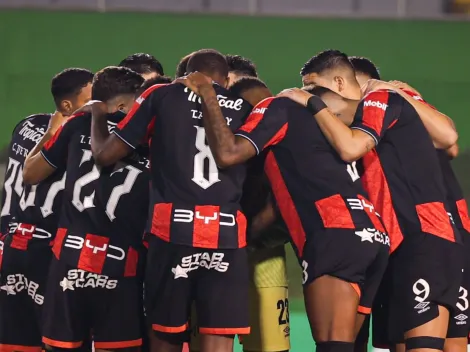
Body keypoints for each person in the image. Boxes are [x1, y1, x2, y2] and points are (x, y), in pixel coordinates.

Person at [178, 73, 389, 352]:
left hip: (333, 233)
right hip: (373, 234)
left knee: (333, 346)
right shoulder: (319, 123)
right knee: (351, 345)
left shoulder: (274, 109)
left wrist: (208, 95)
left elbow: (228, 153)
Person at [279, 69, 461, 352]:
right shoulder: (374, 120)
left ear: (341, 83)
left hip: (421, 236)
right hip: (397, 243)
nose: (311, 94)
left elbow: (448, 138)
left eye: (314, 87)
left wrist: (311, 103)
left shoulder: (382, 98)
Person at [87, 49, 253, 352]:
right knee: (218, 336)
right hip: (226, 232)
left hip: (173, 229)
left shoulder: (161, 95)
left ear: (185, 76)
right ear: (227, 79)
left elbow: (106, 154)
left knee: (166, 333)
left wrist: (98, 114)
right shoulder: (245, 107)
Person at [22, 66, 148, 351]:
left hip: (70, 258)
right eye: (137, 102)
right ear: (119, 105)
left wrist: (55, 129)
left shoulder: (76, 126)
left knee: (60, 346)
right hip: (120, 263)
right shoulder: (145, 139)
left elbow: (30, 174)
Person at [351, 58, 470, 352]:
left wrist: (397, 93)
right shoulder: (370, 124)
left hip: (433, 233)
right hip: (402, 238)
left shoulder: (390, 101)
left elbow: (450, 139)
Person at [190, 57, 291, 352]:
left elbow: (281, 202)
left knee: (269, 346)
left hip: (263, 253)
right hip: (214, 246)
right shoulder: (210, 137)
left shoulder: (272, 138)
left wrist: (245, 237)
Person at [0, 68, 93, 351]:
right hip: (48, 248)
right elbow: (34, 172)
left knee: (15, 337)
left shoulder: (26, 124)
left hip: (12, 241)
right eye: (91, 99)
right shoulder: (77, 136)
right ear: (67, 105)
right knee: (57, 339)